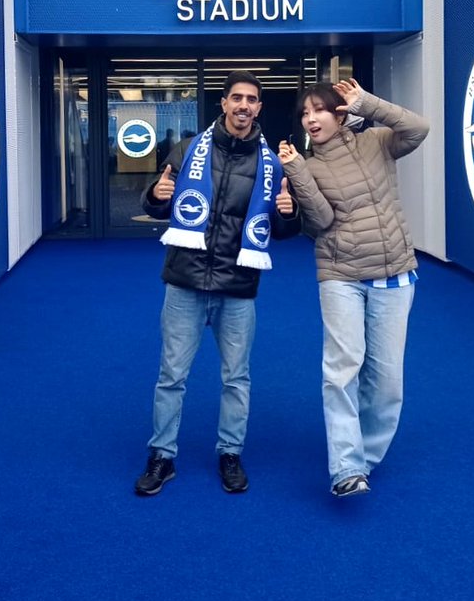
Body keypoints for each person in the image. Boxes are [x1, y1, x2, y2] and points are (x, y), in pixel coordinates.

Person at [134, 71, 299, 496]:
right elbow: (156, 203)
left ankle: (230, 453)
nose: (244, 105)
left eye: (252, 99)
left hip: (238, 287)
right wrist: (156, 195)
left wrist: (286, 212)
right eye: (236, 98)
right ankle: (161, 457)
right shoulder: (189, 148)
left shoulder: (272, 164)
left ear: (259, 107)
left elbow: (281, 230)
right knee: (171, 375)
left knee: (236, 378)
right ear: (223, 104)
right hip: (185, 282)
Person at [277, 78, 429, 497]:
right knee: (342, 371)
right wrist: (296, 172)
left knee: (386, 382)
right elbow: (321, 221)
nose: (310, 120)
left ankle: (365, 457)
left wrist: (368, 103)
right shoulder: (308, 166)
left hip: (395, 275)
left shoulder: (377, 141)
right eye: (304, 114)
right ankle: (346, 468)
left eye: (318, 110)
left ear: (339, 112)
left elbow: (418, 128)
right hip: (340, 275)